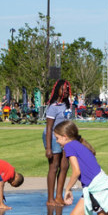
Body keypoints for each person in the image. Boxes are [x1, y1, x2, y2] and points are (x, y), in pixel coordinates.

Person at [43, 78, 72, 206]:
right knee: (54, 166)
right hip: (53, 137)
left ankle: (59, 196)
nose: (65, 91)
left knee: (65, 166)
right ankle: (50, 199)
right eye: (63, 89)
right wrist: (48, 148)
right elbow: (49, 128)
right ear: (57, 90)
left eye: (67, 89)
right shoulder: (53, 107)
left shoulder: (68, 105)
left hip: (65, 138)